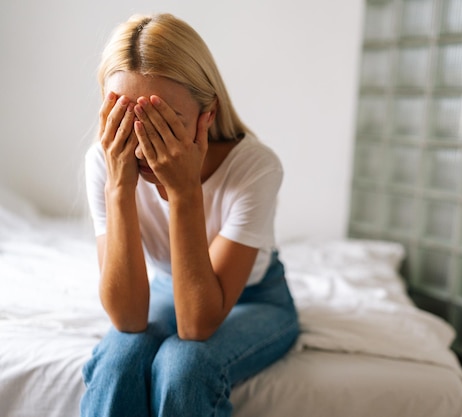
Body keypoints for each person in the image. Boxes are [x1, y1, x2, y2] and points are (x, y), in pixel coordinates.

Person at [81, 13, 299, 417]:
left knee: (184, 367)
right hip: (169, 286)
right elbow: (127, 318)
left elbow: (196, 327)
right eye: (127, 123)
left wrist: (184, 192)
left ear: (207, 115)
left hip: (257, 299)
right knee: (117, 362)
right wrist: (119, 187)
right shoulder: (105, 161)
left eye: (165, 124)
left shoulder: (255, 167)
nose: (144, 146)